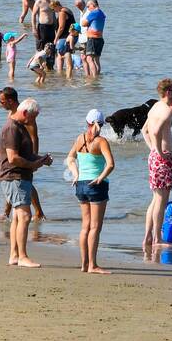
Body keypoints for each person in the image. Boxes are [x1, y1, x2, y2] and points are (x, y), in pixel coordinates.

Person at [0, 98, 53, 268]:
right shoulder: (12, 128)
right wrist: (34, 164)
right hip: (14, 176)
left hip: (19, 176)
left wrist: (41, 159)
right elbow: (13, 158)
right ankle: (22, 256)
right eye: (33, 117)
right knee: (25, 216)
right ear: (24, 113)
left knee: (17, 217)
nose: (34, 121)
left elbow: (24, 154)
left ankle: (14, 255)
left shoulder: (19, 127)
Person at [65, 108, 114, 274]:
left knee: (85, 226)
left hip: (80, 185)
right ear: (101, 124)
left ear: (87, 122)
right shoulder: (101, 141)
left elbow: (70, 158)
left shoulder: (80, 138)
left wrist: (76, 173)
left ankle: (84, 264)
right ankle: (93, 265)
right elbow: (111, 164)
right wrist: (100, 178)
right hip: (96, 185)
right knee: (95, 227)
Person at [142, 79, 172, 253]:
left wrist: (153, 151)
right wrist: (160, 152)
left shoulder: (155, 107)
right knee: (161, 200)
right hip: (162, 159)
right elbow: (154, 132)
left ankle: (148, 236)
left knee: (155, 199)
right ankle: (157, 238)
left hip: (155, 158)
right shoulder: (167, 110)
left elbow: (144, 131)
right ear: (168, 92)